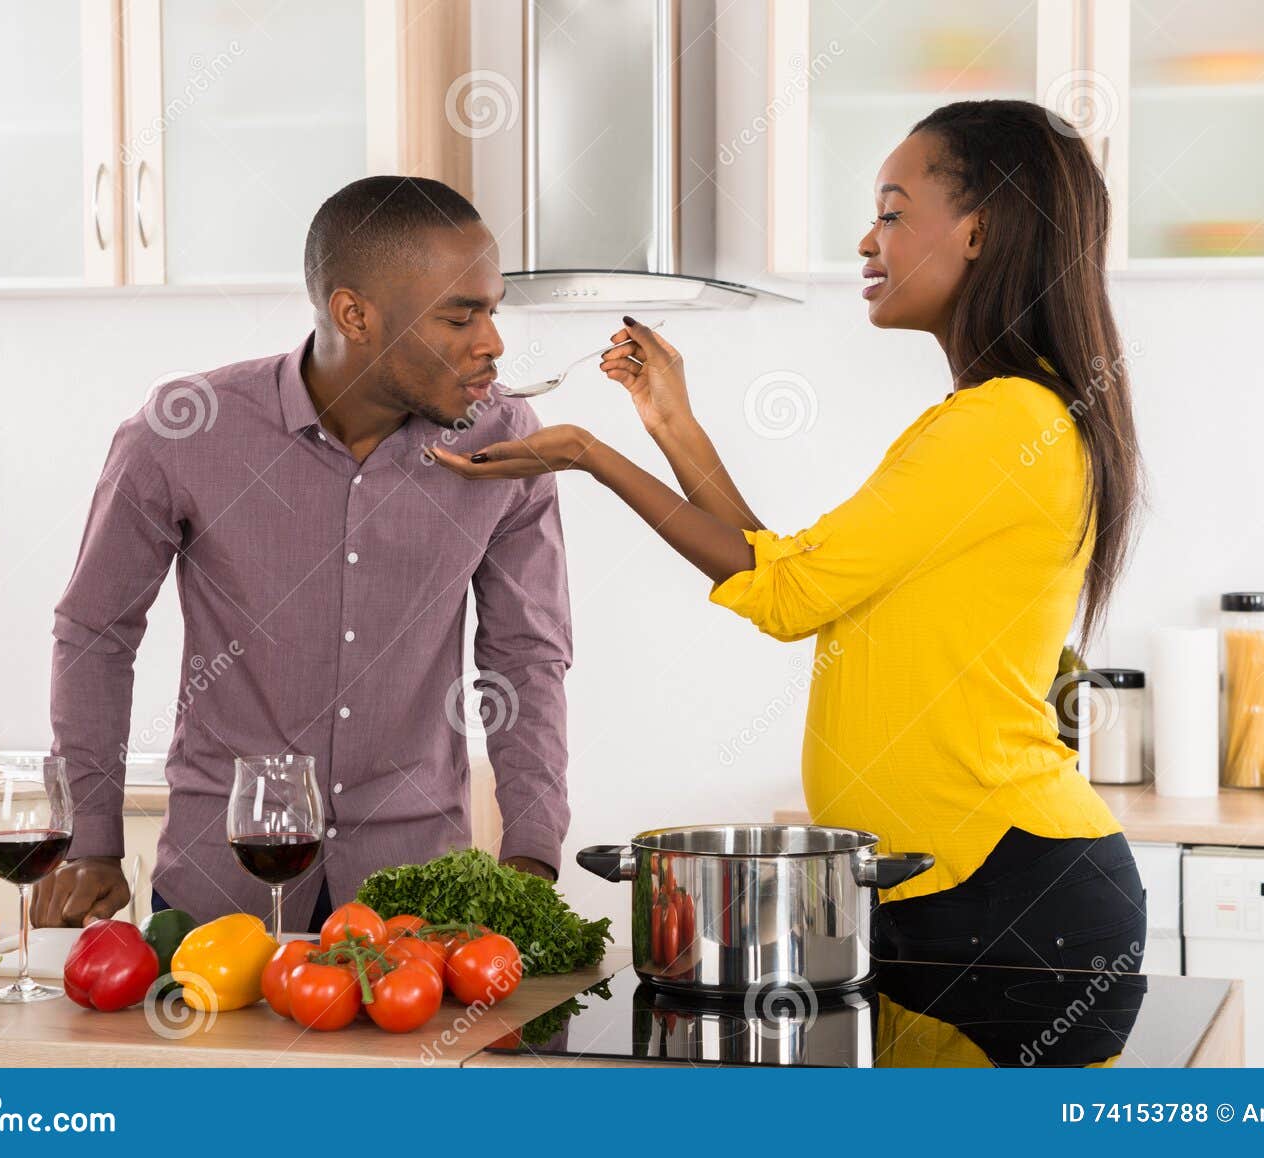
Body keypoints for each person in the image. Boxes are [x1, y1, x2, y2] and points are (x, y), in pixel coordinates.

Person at [431, 101, 1146, 972]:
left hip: (1005, 888)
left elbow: (786, 595)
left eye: (891, 212)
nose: (866, 241)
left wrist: (588, 453)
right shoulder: (998, 417)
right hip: (962, 882)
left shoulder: (1000, 426)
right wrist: (670, 422)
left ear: (978, 233)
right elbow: (792, 572)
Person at [34, 176, 571, 931]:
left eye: (493, 310)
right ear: (355, 313)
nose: (492, 343)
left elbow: (526, 656)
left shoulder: (505, 441)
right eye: (461, 316)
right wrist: (91, 843)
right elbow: (96, 633)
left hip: (412, 903)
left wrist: (533, 851)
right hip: (220, 892)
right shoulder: (184, 431)